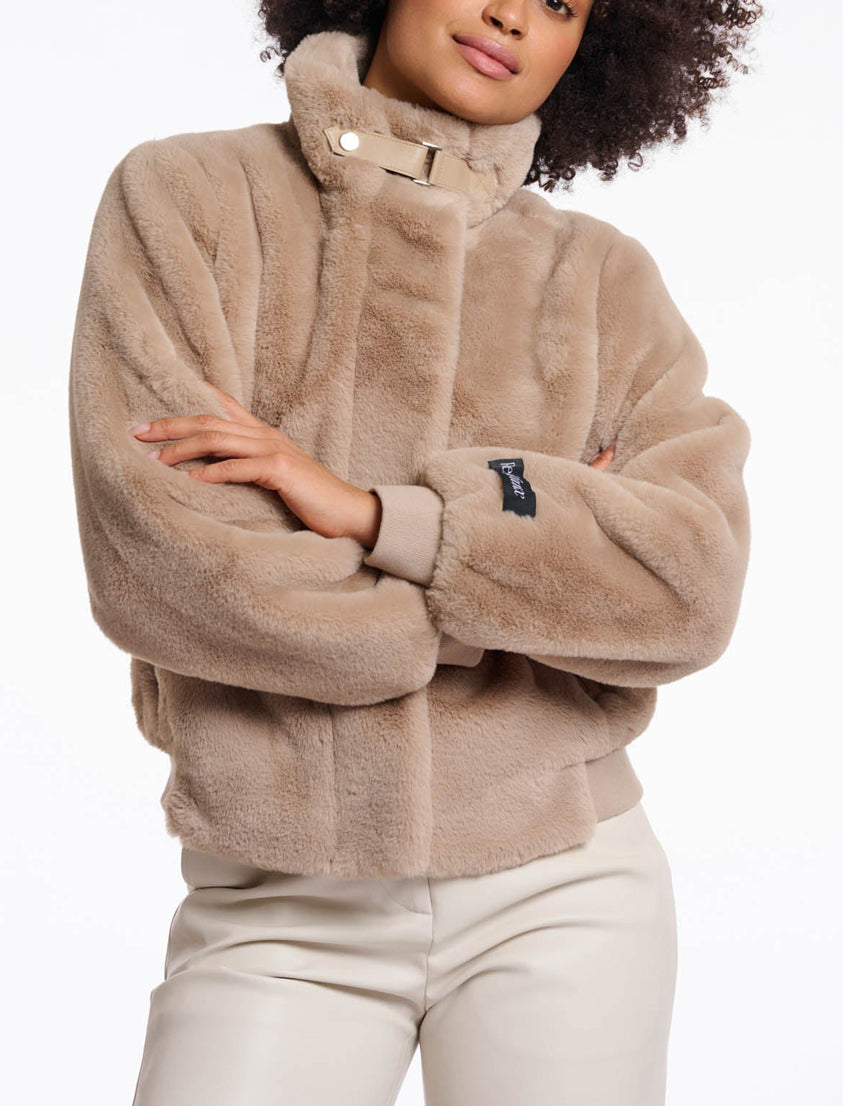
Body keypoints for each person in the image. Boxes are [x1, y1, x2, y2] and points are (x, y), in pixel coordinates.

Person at [68, 1, 762, 1103]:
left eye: (562, 2)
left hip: (568, 886)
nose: (510, 15)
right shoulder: (187, 199)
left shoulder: (602, 281)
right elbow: (167, 562)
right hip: (281, 897)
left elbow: (690, 585)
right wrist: (522, 588)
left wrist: (379, 519)